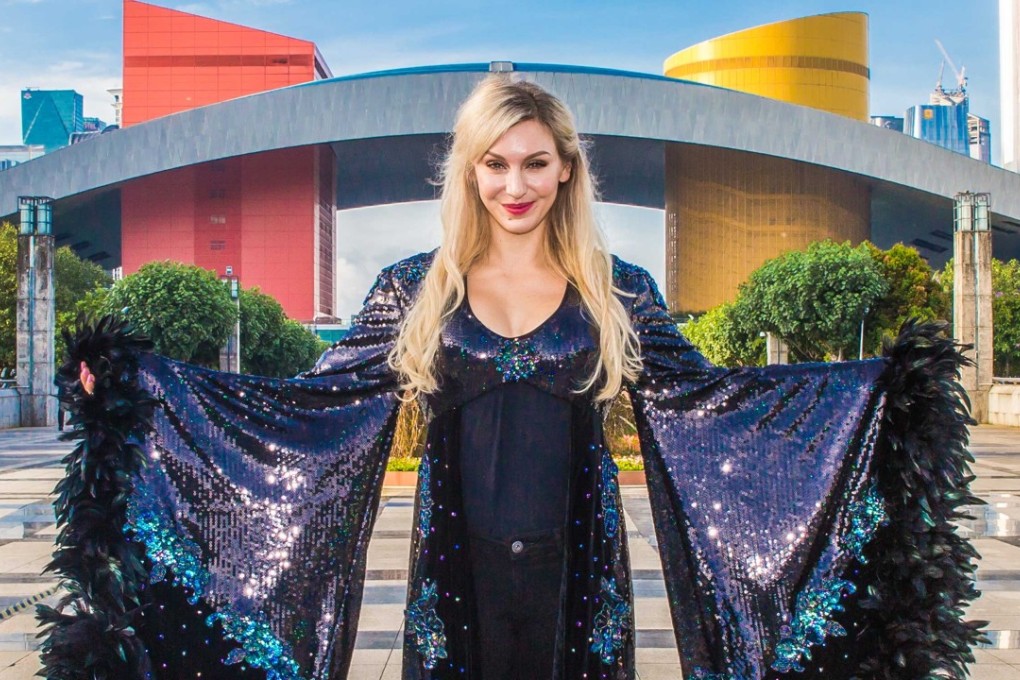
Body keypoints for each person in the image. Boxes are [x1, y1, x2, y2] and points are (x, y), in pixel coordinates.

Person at [52, 77, 981, 680]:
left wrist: (877, 396)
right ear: (470, 173)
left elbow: (713, 403)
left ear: (568, 170)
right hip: (451, 580)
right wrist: (144, 388)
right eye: (495, 164)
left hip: (583, 578)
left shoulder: (618, 292)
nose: (515, 183)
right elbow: (307, 403)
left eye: (536, 162)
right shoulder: (413, 291)